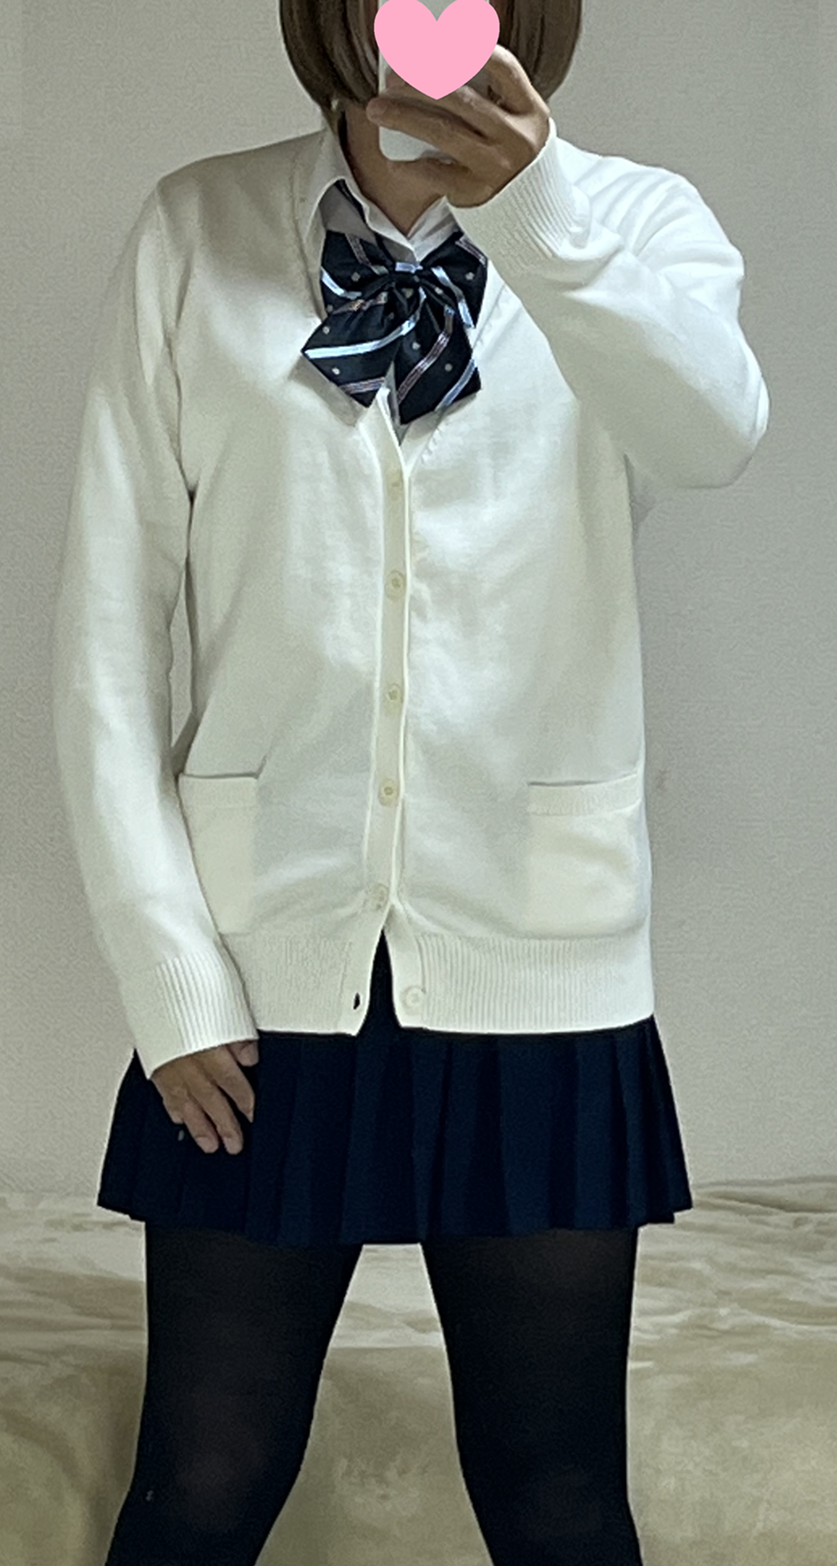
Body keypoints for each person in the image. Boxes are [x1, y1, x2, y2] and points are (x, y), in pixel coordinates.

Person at [51, 0, 770, 1562]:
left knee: (558, 1497)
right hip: (253, 987)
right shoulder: (196, 232)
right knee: (199, 1487)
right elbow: (107, 635)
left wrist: (539, 215)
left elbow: (713, 430)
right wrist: (170, 976)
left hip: (542, 969)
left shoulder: (635, 224)